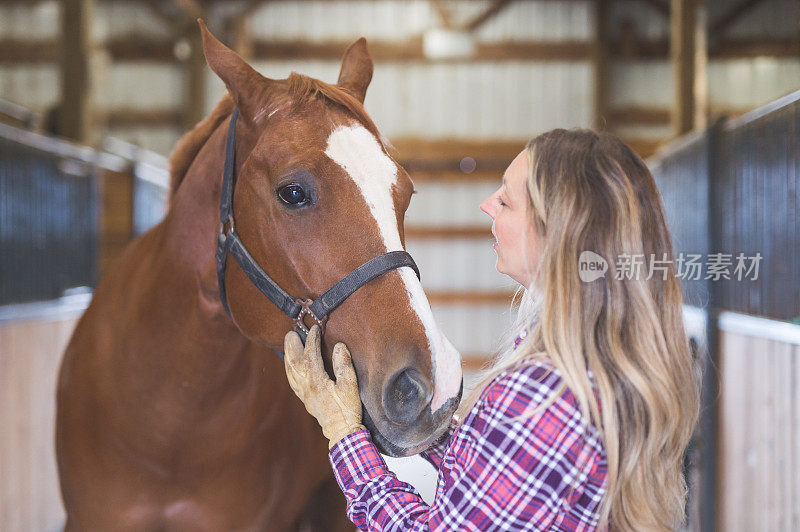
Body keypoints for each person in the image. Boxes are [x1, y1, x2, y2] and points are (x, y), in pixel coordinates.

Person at [283, 129, 701, 531]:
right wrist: (425, 423)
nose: (487, 204)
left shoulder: (541, 395)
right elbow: (507, 471)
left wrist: (343, 433)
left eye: (506, 199)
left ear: (556, 228)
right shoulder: (597, 367)